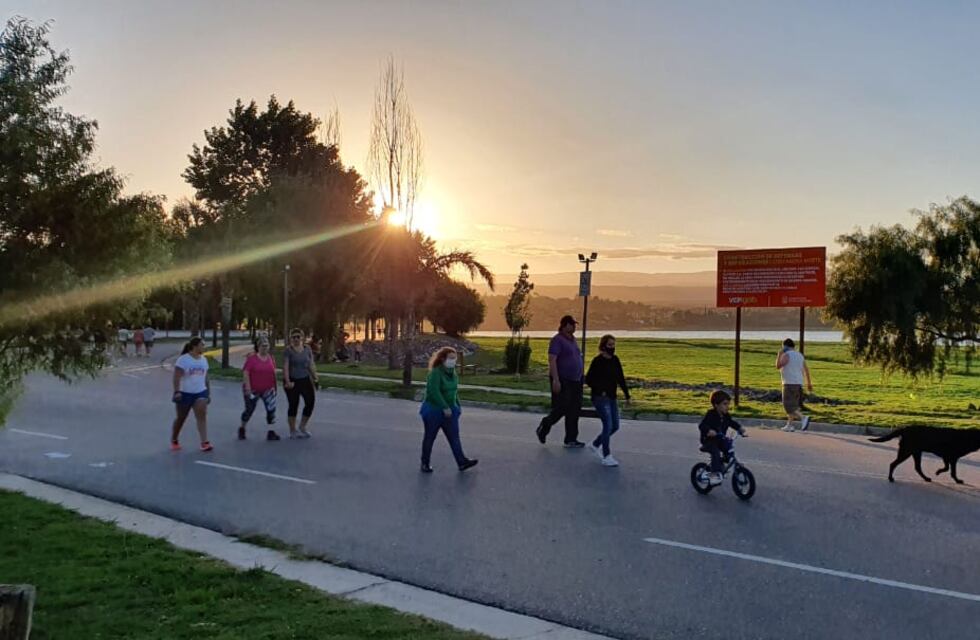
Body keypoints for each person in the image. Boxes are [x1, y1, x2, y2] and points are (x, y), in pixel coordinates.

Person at [419, 347, 478, 473]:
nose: (453, 361)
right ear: (443, 359)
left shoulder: (452, 372)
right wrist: (444, 407)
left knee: (454, 438)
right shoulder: (435, 373)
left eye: (454, 358)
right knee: (430, 437)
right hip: (434, 411)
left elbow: (453, 391)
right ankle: (425, 463)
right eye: (450, 358)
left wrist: (457, 406)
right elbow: (434, 392)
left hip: (451, 411)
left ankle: (462, 462)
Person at [535, 315, 585, 448]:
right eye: (572, 324)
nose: (574, 327)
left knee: (574, 410)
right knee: (562, 407)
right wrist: (556, 380)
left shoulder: (573, 340)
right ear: (565, 325)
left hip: (576, 380)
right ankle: (545, 424)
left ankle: (571, 439)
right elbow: (552, 360)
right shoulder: (557, 340)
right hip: (563, 379)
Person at [585, 334, 631, 467]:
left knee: (615, 426)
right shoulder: (597, 361)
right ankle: (607, 455)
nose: (612, 347)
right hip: (600, 397)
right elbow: (589, 379)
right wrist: (600, 389)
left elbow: (620, 378)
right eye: (610, 345)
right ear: (603, 346)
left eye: (613, 345)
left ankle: (595, 444)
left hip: (611, 397)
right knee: (608, 424)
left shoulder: (615, 360)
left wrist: (627, 395)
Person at [171, 337, 213, 452]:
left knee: (202, 416)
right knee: (181, 418)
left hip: (200, 392)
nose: (204, 347)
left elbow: (206, 377)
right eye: (202, 345)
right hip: (185, 393)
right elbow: (177, 377)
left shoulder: (204, 359)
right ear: (195, 346)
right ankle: (174, 439)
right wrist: (177, 391)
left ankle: (204, 442)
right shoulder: (183, 360)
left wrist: (208, 393)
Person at [698, 390, 747, 485]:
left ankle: (721, 465)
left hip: (720, 439)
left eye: (728, 404)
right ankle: (714, 475)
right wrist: (708, 431)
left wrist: (739, 428)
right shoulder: (711, 414)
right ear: (716, 405)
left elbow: (731, 422)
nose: (727, 406)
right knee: (716, 452)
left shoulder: (726, 415)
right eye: (725, 404)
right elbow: (702, 425)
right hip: (708, 441)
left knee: (728, 448)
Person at [239, 336, 280, 441]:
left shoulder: (271, 358)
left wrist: (275, 387)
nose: (265, 348)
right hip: (253, 390)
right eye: (263, 346)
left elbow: (273, 373)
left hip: (268, 389)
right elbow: (246, 372)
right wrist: (248, 387)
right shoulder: (252, 359)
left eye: (267, 345)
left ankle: (271, 432)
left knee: (271, 410)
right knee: (249, 410)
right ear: (258, 347)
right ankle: (242, 428)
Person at [283, 328, 318, 438]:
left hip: (305, 379)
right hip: (292, 380)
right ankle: (292, 430)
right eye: (294, 337)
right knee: (293, 404)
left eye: (298, 336)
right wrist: (288, 381)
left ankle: (302, 426)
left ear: (302, 337)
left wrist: (315, 378)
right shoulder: (288, 351)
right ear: (291, 339)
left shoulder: (307, 349)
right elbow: (286, 367)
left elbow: (310, 364)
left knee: (310, 402)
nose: (296, 339)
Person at [776, 338, 813, 432]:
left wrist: (779, 354)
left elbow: (778, 366)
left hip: (789, 383)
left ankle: (803, 418)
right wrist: (809, 383)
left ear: (785, 346)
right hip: (798, 383)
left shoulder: (786, 355)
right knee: (793, 405)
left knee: (787, 405)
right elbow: (806, 370)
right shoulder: (800, 355)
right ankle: (789, 425)